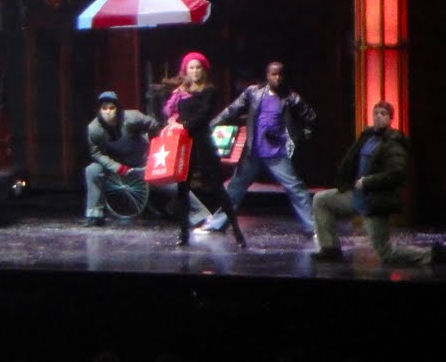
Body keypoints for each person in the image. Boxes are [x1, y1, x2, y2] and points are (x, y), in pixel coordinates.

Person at [311, 100, 446, 266]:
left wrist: (368, 181)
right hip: (356, 196)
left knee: (387, 254)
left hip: (374, 201)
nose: (378, 117)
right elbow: (351, 160)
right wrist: (346, 179)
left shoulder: (394, 142)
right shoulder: (367, 137)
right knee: (321, 200)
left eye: (383, 114)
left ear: (390, 118)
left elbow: (396, 173)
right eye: (376, 113)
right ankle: (330, 249)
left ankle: (432, 255)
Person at [205, 61, 316, 237]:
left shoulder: (290, 97)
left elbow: (310, 117)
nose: (277, 78)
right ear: (267, 76)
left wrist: (301, 136)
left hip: (277, 152)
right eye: (274, 74)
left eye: (280, 74)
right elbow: (232, 110)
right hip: (254, 151)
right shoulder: (254, 92)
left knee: (295, 188)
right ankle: (216, 224)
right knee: (235, 187)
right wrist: (212, 125)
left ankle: (313, 227)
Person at [82, 89, 207, 228]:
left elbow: (155, 127)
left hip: (142, 165)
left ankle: (201, 215)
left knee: (173, 183)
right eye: (104, 109)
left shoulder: (132, 118)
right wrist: (117, 167)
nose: (108, 112)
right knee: (92, 170)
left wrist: (155, 154)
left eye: (111, 108)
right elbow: (96, 153)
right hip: (117, 170)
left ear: (117, 108)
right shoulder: (94, 129)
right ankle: (94, 215)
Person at [164, 51, 244, 247]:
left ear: (204, 70)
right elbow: (175, 113)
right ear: (186, 70)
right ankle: (183, 233)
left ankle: (237, 231)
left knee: (216, 187)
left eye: (198, 67)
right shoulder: (181, 92)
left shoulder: (209, 91)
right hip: (184, 144)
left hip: (202, 143)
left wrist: (183, 125)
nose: (195, 71)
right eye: (191, 68)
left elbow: (204, 115)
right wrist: (173, 122)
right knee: (183, 189)